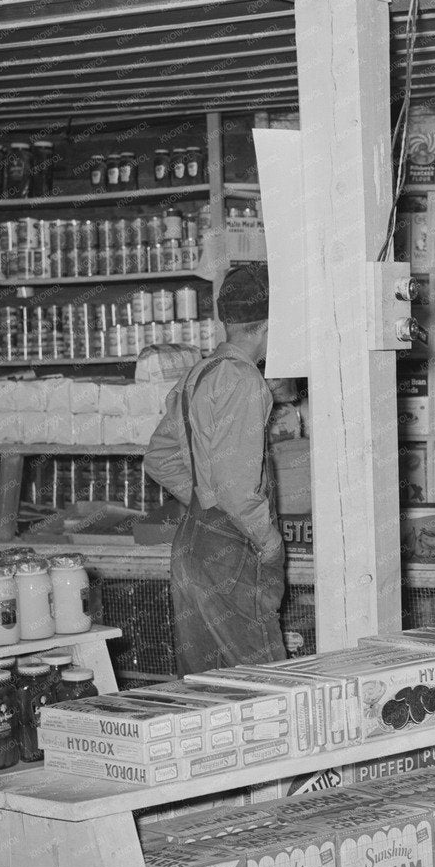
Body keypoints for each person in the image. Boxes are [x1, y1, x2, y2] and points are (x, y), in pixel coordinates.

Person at [144, 262, 287, 674]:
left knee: (206, 686)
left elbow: (159, 457)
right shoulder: (243, 381)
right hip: (232, 551)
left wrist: (205, 495)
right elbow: (238, 489)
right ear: (268, 323)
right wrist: (270, 542)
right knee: (265, 684)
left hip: (193, 544)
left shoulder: (199, 373)